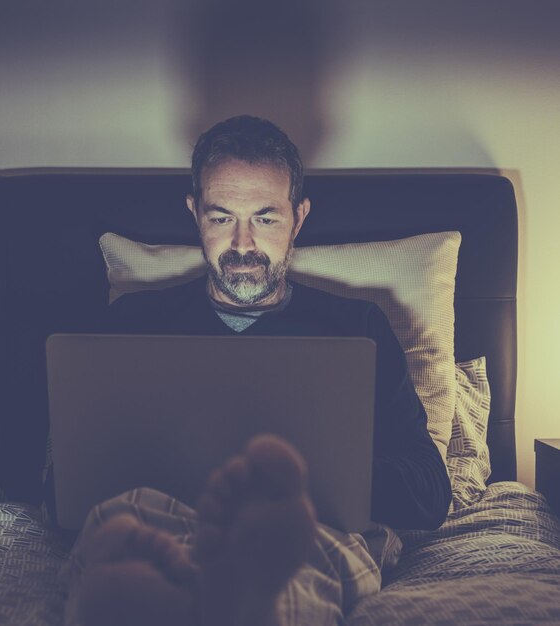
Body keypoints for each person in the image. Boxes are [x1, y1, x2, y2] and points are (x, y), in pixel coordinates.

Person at [60, 115, 452, 626]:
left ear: (299, 216)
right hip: (158, 515)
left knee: (282, 557)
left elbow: (429, 493)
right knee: (119, 526)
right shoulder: (133, 323)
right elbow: (60, 490)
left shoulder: (356, 329)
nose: (243, 244)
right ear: (194, 211)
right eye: (222, 218)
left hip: (306, 528)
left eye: (265, 218)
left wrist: (312, 478)